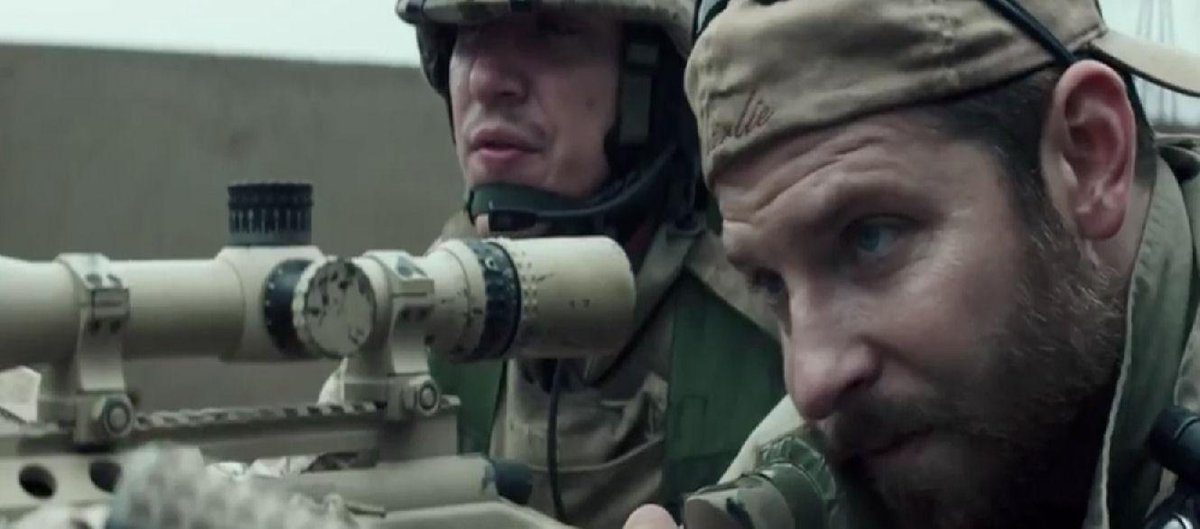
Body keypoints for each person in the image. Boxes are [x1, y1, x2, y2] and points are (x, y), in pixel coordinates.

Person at [623, 0, 1200, 528]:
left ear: (1087, 156)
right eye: (771, 284)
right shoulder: (801, 481)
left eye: (870, 239)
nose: (811, 383)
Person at [302, 0, 786, 528]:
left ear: (655, 82)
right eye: (465, 34)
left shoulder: (781, 319)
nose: (486, 81)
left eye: (553, 30)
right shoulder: (422, 319)